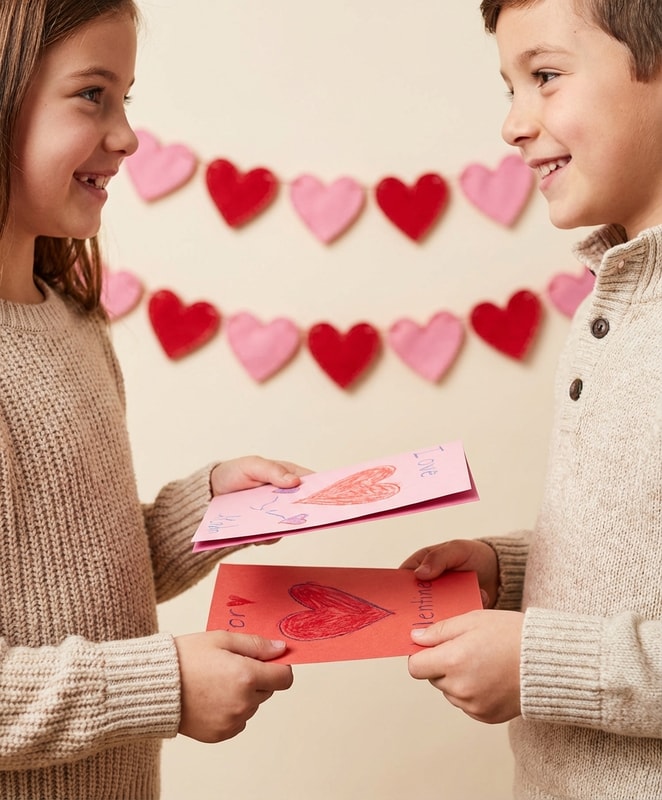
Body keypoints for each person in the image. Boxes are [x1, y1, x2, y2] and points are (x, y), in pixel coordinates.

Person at [0, 1, 310, 798]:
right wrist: (163, 682)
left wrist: (205, 511)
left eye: (126, 99)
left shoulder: (67, 319)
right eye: (91, 95)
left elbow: (72, 569)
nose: (128, 135)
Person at [400, 0, 662, 797]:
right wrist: (508, 570)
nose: (514, 124)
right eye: (510, 87)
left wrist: (538, 663)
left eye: (545, 77)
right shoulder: (616, 295)